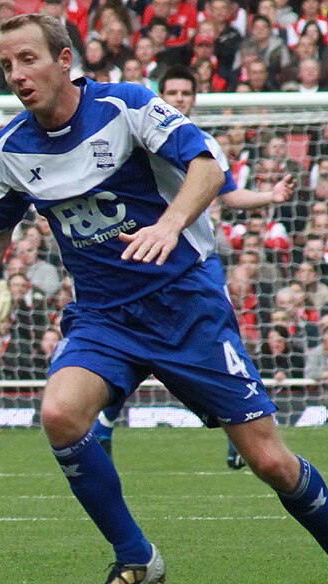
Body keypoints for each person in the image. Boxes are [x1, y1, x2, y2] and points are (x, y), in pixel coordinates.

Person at [0, 14, 328, 584]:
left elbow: (208, 167)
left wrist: (168, 223)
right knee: (58, 412)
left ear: (64, 58)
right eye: (6, 65)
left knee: (270, 461)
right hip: (104, 317)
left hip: (186, 306)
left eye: (28, 59)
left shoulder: (127, 105)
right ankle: (135, 557)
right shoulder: (12, 149)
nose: (17, 75)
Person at [92, 64, 245, 469]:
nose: (178, 98)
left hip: (198, 260)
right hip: (151, 259)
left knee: (223, 343)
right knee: (138, 350)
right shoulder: (141, 135)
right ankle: (105, 423)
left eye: (184, 92)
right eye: (172, 91)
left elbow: (229, 196)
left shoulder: (208, 144)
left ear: (195, 97)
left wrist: (272, 195)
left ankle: (241, 434)